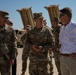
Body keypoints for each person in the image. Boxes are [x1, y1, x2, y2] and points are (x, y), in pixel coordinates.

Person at [59, 7, 76, 75]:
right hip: (62, 59)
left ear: (66, 16)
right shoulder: (62, 28)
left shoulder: (75, 27)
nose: (59, 18)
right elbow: (61, 42)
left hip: (72, 59)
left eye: (60, 15)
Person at [0, 10, 16, 75]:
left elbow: (13, 44)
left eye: (6, 18)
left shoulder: (10, 30)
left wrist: (12, 57)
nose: (5, 19)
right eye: (4, 17)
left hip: (5, 58)